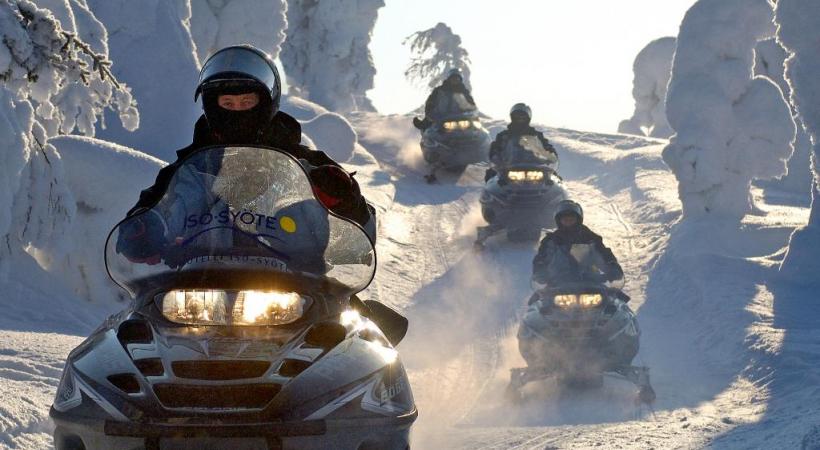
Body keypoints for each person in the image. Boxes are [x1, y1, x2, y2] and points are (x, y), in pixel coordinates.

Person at [117, 45, 375, 264]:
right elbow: (151, 213)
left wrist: (345, 199)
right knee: (135, 324)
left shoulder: (307, 164)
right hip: (198, 288)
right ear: (211, 106)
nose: (237, 111)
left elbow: (362, 237)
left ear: (265, 103)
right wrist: (141, 230)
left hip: (298, 287)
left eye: (246, 102)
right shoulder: (189, 169)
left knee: (351, 325)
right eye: (227, 104)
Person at [531, 200, 623, 286]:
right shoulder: (551, 240)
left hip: (590, 282)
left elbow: (603, 253)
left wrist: (612, 266)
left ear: (578, 219)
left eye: (571, 218)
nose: (568, 221)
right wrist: (540, 272)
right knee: (538, 301)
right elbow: (541, 259)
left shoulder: (590, 238)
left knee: (615, 300)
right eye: (565, 219)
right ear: (559, 220)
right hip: (558, 283)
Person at [485, 103, 557, 181]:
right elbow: (495, 150)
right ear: (512, 117)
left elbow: (547, 149)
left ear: (528, 118)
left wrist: (550, 154)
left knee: (556, 181)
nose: (520, 119)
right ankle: (489, 193)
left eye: (523, 117)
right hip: (508, 169)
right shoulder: (503, 136)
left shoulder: (537, 135)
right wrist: (496, 159)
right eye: (517, 117)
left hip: (535, 168)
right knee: (490, 177)